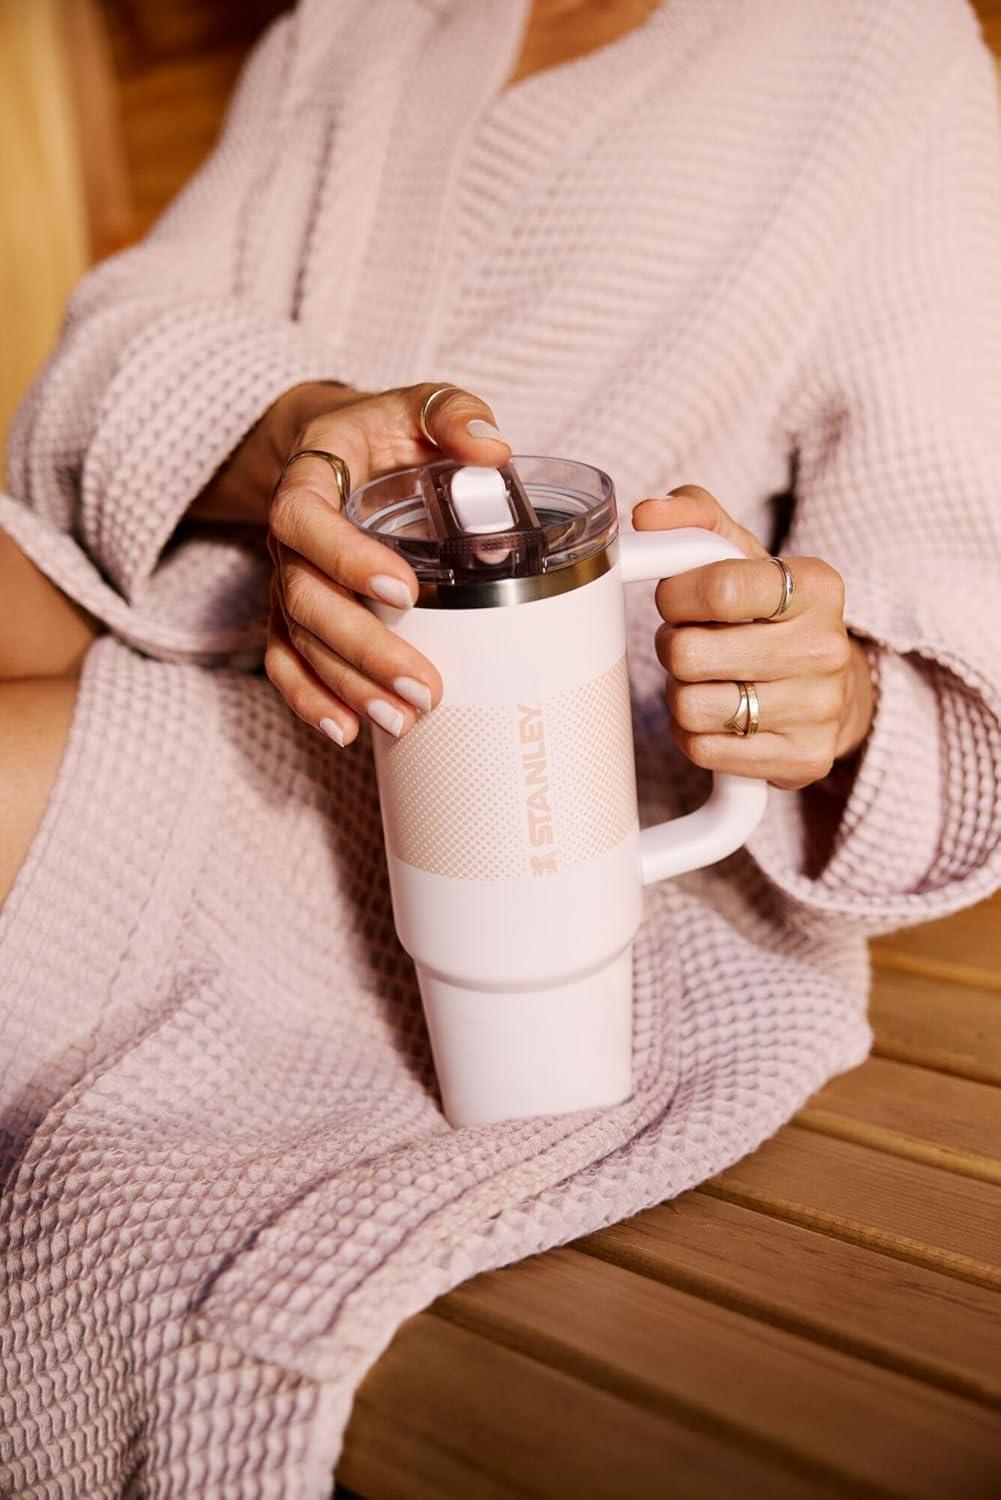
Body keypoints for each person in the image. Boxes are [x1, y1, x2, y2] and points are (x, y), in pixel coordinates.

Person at [1, 1, 999, 1493]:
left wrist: (824, 693)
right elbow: (112, 343)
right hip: (201, 622)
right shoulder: (352, 21)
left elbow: (966, 644)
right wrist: (296, 430)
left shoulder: (875, 53)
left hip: (509, 803)